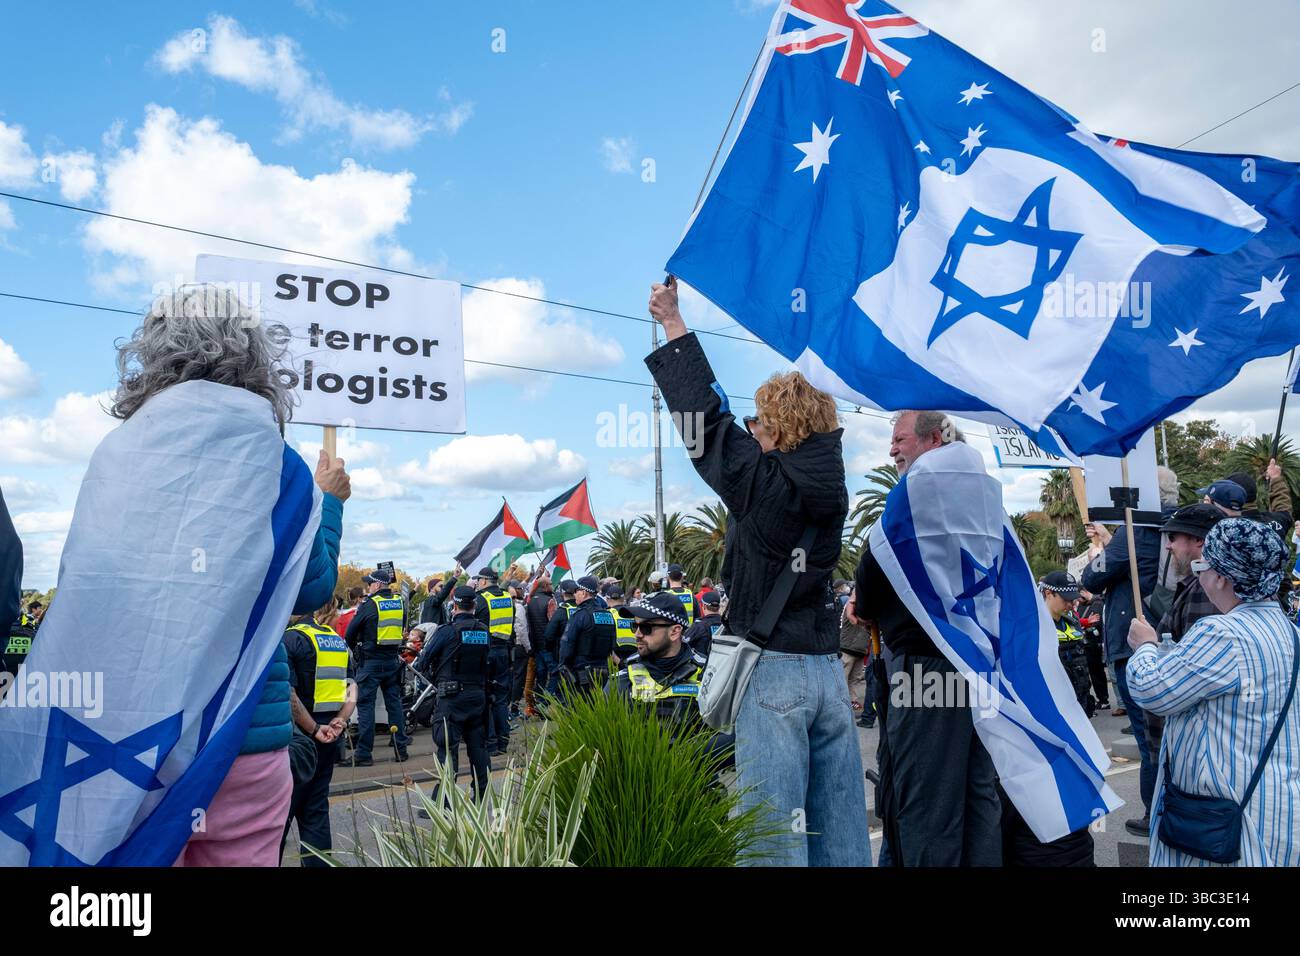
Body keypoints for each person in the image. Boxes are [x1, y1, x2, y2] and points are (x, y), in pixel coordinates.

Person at [647, 276, 869, 868]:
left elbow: (706, 423)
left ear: (779, 430)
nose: (749, 430)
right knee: (840, 837)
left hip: (773, 676)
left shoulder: (765, 486)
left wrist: (673, 323)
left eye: (758, 422)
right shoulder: (834, 490)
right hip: (825, 673)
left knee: (772, 842)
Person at [851, 410, 999, 867]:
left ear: (934, 439)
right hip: (977, 665)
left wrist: (862, 601)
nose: (892, 449)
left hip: (923, 668)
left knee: (926, 799)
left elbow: (873, 573)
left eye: (900, 439)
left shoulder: (914, 496)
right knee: (977, 793)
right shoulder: (983, 498)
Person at [1127, 518, 1300, 866]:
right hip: (1275, 803)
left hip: (1224, 816)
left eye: (1200, 566)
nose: (1198, 576)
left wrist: (1145, 648)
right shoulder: (1290, 631)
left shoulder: (1222, 633)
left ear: (1221, 576)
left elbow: (1152, 691)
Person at [1081, 511, 1161, 837]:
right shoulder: (1161, 529)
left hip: (1133, 646)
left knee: (1149, 741)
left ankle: (1154, 813)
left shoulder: (1135, 531)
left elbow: (1091, 578)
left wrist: (1105, 543)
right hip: (1158, 637)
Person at [279, 608, 357, 866]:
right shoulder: (338, 641)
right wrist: (341, 721)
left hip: (298, 737)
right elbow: (352, 688)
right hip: (329, 736)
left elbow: (287, 692)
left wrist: (312, 728)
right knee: (315, 811)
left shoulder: (292, 638)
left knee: (279, 816)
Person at [613, 592, 731, 758]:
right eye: (635, 626)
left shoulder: (708, 675)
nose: (637, 634)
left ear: (675, 632)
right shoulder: (623, 679)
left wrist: (689, 757)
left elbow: (733, 734)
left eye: (646, 628)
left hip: (697, 780)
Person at [414, 586, 492, 800]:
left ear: (454, 606)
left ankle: (444, 801)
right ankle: (483, 796)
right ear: (474, 606)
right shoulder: (484, 630)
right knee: (478, 748)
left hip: (451, 699)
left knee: (447, 750)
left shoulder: (446, 631)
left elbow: (423, 662)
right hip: (478, 696)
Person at [343, 568, 410, 766]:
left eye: (370, 583)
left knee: (366, 708)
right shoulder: (399, 603)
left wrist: (358, 647)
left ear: (378, 585)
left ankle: (364, 753)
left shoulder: (370, 604)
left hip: (371, 662)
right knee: (394, 705)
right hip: (392, 661)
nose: (368, 587)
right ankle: (401, 749)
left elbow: (350, 633)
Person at [472, 566, 515, 757]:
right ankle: (503, 742)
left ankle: (490, 744)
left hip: (486, 653)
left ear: (482, 581)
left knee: (486, 699)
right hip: (504, 652)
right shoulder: (507, 597)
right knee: (501, 700)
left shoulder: (481, 600)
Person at [1038, 572, 1094, 717]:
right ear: (1049, 593)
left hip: (1079, 698)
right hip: (1054, 703)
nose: (1071, 605)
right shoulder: (1036, 627)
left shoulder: (1073, 623)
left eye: (1072, 599)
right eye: (1065, 600)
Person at [559, 575, 617, 692]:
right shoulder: (607, 614)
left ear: (584, 593)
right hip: (604, 671)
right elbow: (613, 643)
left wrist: (563, 665)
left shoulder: (579, 615)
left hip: (582, 673)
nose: (574, 594)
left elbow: (567, 644)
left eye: (576, 591)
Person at [524, 577, 555, 712]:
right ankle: (543, 702)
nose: (553, 586)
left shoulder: (530, 601)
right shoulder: (550, 601)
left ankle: (539, 702)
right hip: (547, 645)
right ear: (545, 586)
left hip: (535, 644)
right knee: (556, 673)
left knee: (541, 675)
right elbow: (553, 623)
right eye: (551, 584)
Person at [682, 588, 723, 659]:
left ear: (703, 606)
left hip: (701, 665)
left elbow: (683, 644)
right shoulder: (725, 625)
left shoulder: (699, 626)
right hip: (720, 664)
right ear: (719, 607)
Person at [605, 585, 638, 663]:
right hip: (636, 655)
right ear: (623, 599)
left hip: (615, 658)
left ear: (607, 599)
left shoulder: (607, 614)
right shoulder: (634, 612)